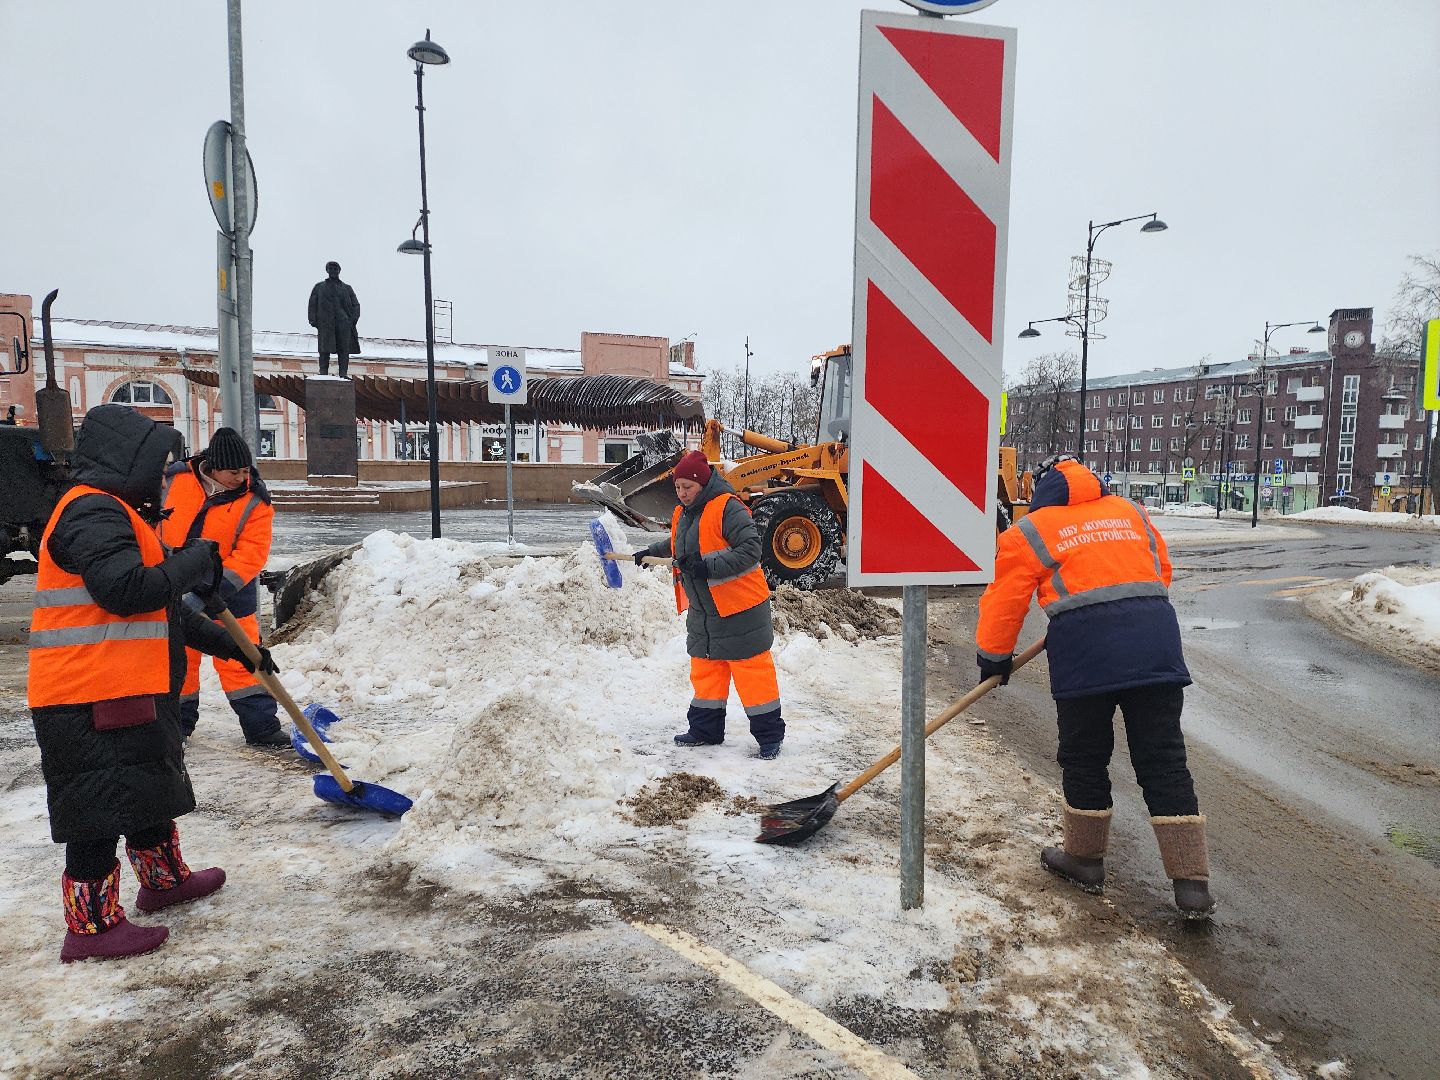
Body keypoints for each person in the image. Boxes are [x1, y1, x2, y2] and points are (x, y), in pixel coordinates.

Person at [28, 405, 278, 962]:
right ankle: (91, 928)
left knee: (144, 789)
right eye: (156, 462)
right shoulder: (91, 513)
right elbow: (128, 590)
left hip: (126, 685)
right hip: (86, 692)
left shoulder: (120, 513)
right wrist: (192, 562)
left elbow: (167, 612)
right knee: (97, 808)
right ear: (128, 460)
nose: (165, 473)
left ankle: (163, 881)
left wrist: (242, 648)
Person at [974, 455, 1214, 918]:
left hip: (1085, 655)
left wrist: (994, 660)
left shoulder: (1028, 531)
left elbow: (1004, 603)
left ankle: (1084, 860)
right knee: (1163, 758)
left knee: (1084, 755)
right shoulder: (1131, 511)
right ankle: (1192, 885)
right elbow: (1158, 572)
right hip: (1155, 645)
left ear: (1041, 494)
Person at [636, 450, 785, 759]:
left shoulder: (728, 509)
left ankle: (770, 737)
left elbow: (750, 550)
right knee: (706, 671)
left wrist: (705, 565)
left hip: (740, 608)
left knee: (752, 674)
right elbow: (677, 544)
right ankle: (705, 730)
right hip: (705, 611)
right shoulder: (683, 512)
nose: (681, 493)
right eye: (677, 487)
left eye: (686, 487)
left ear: (702, 483)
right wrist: (649, 553)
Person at [160, 427, 284, 748]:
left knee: (242, 661)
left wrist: (212, 588)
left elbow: (251, 555)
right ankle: (178, 728)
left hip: (229, 594)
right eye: (234, 471)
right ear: (212, 466)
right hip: (173, 586)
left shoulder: (256, 502)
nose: (241, 477)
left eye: (245, 470)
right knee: (179, 662)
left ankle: (262, 729)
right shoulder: (175, 480)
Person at [306, 260, 361, 378]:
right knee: (324, 349)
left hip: (343, 322)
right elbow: (312, 303)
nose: (333, 271)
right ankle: (323, 373)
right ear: (327, 270)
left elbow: (356, 305)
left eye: (335, 269)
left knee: (343, 349)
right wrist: (313, 319)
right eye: (331, 269)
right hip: (326, 322)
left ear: (339, 271)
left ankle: (343, 373)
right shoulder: (319, 287)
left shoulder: (347, 288)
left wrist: (351, 320)